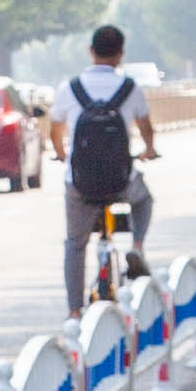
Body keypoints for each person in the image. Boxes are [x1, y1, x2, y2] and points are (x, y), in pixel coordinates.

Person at [54, 22, 156, 314]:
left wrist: (62, 154)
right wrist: (148, 150)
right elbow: (146, 128)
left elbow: (55, 130)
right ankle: (136, 246)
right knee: (145, 199)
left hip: (80, 184)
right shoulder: (130, 88)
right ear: (121, 54)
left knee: (75, 244)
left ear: (91, 52)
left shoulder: (70, 88)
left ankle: (74, 310)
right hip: (121, 181)